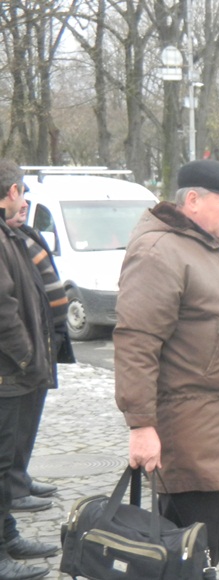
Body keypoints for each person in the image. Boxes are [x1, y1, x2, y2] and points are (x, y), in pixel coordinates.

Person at [114, 160, 219, 568]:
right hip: (190, 432)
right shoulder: (160, 252)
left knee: (200, 548)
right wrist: (141, 426)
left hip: (216, 428)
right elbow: (136, 342)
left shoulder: (201, 245)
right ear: (192, 200)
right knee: (183, 551)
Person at [0, 160, 56, 580]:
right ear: (14, 191)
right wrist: (27, 359)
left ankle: (8, 537)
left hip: (16, 375)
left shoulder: (8, 234)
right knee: (1, 465)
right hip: (9, 376)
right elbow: (4, 312)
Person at [4, 189, 71, 515]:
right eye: (21, 195)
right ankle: (13, 489)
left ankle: (21, 477)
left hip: (43, 343)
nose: (25, 205)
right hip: (21, 354)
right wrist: (27, 354)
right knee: (13, 428)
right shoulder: (7, 241)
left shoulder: (22, 236)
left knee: (28, 421)